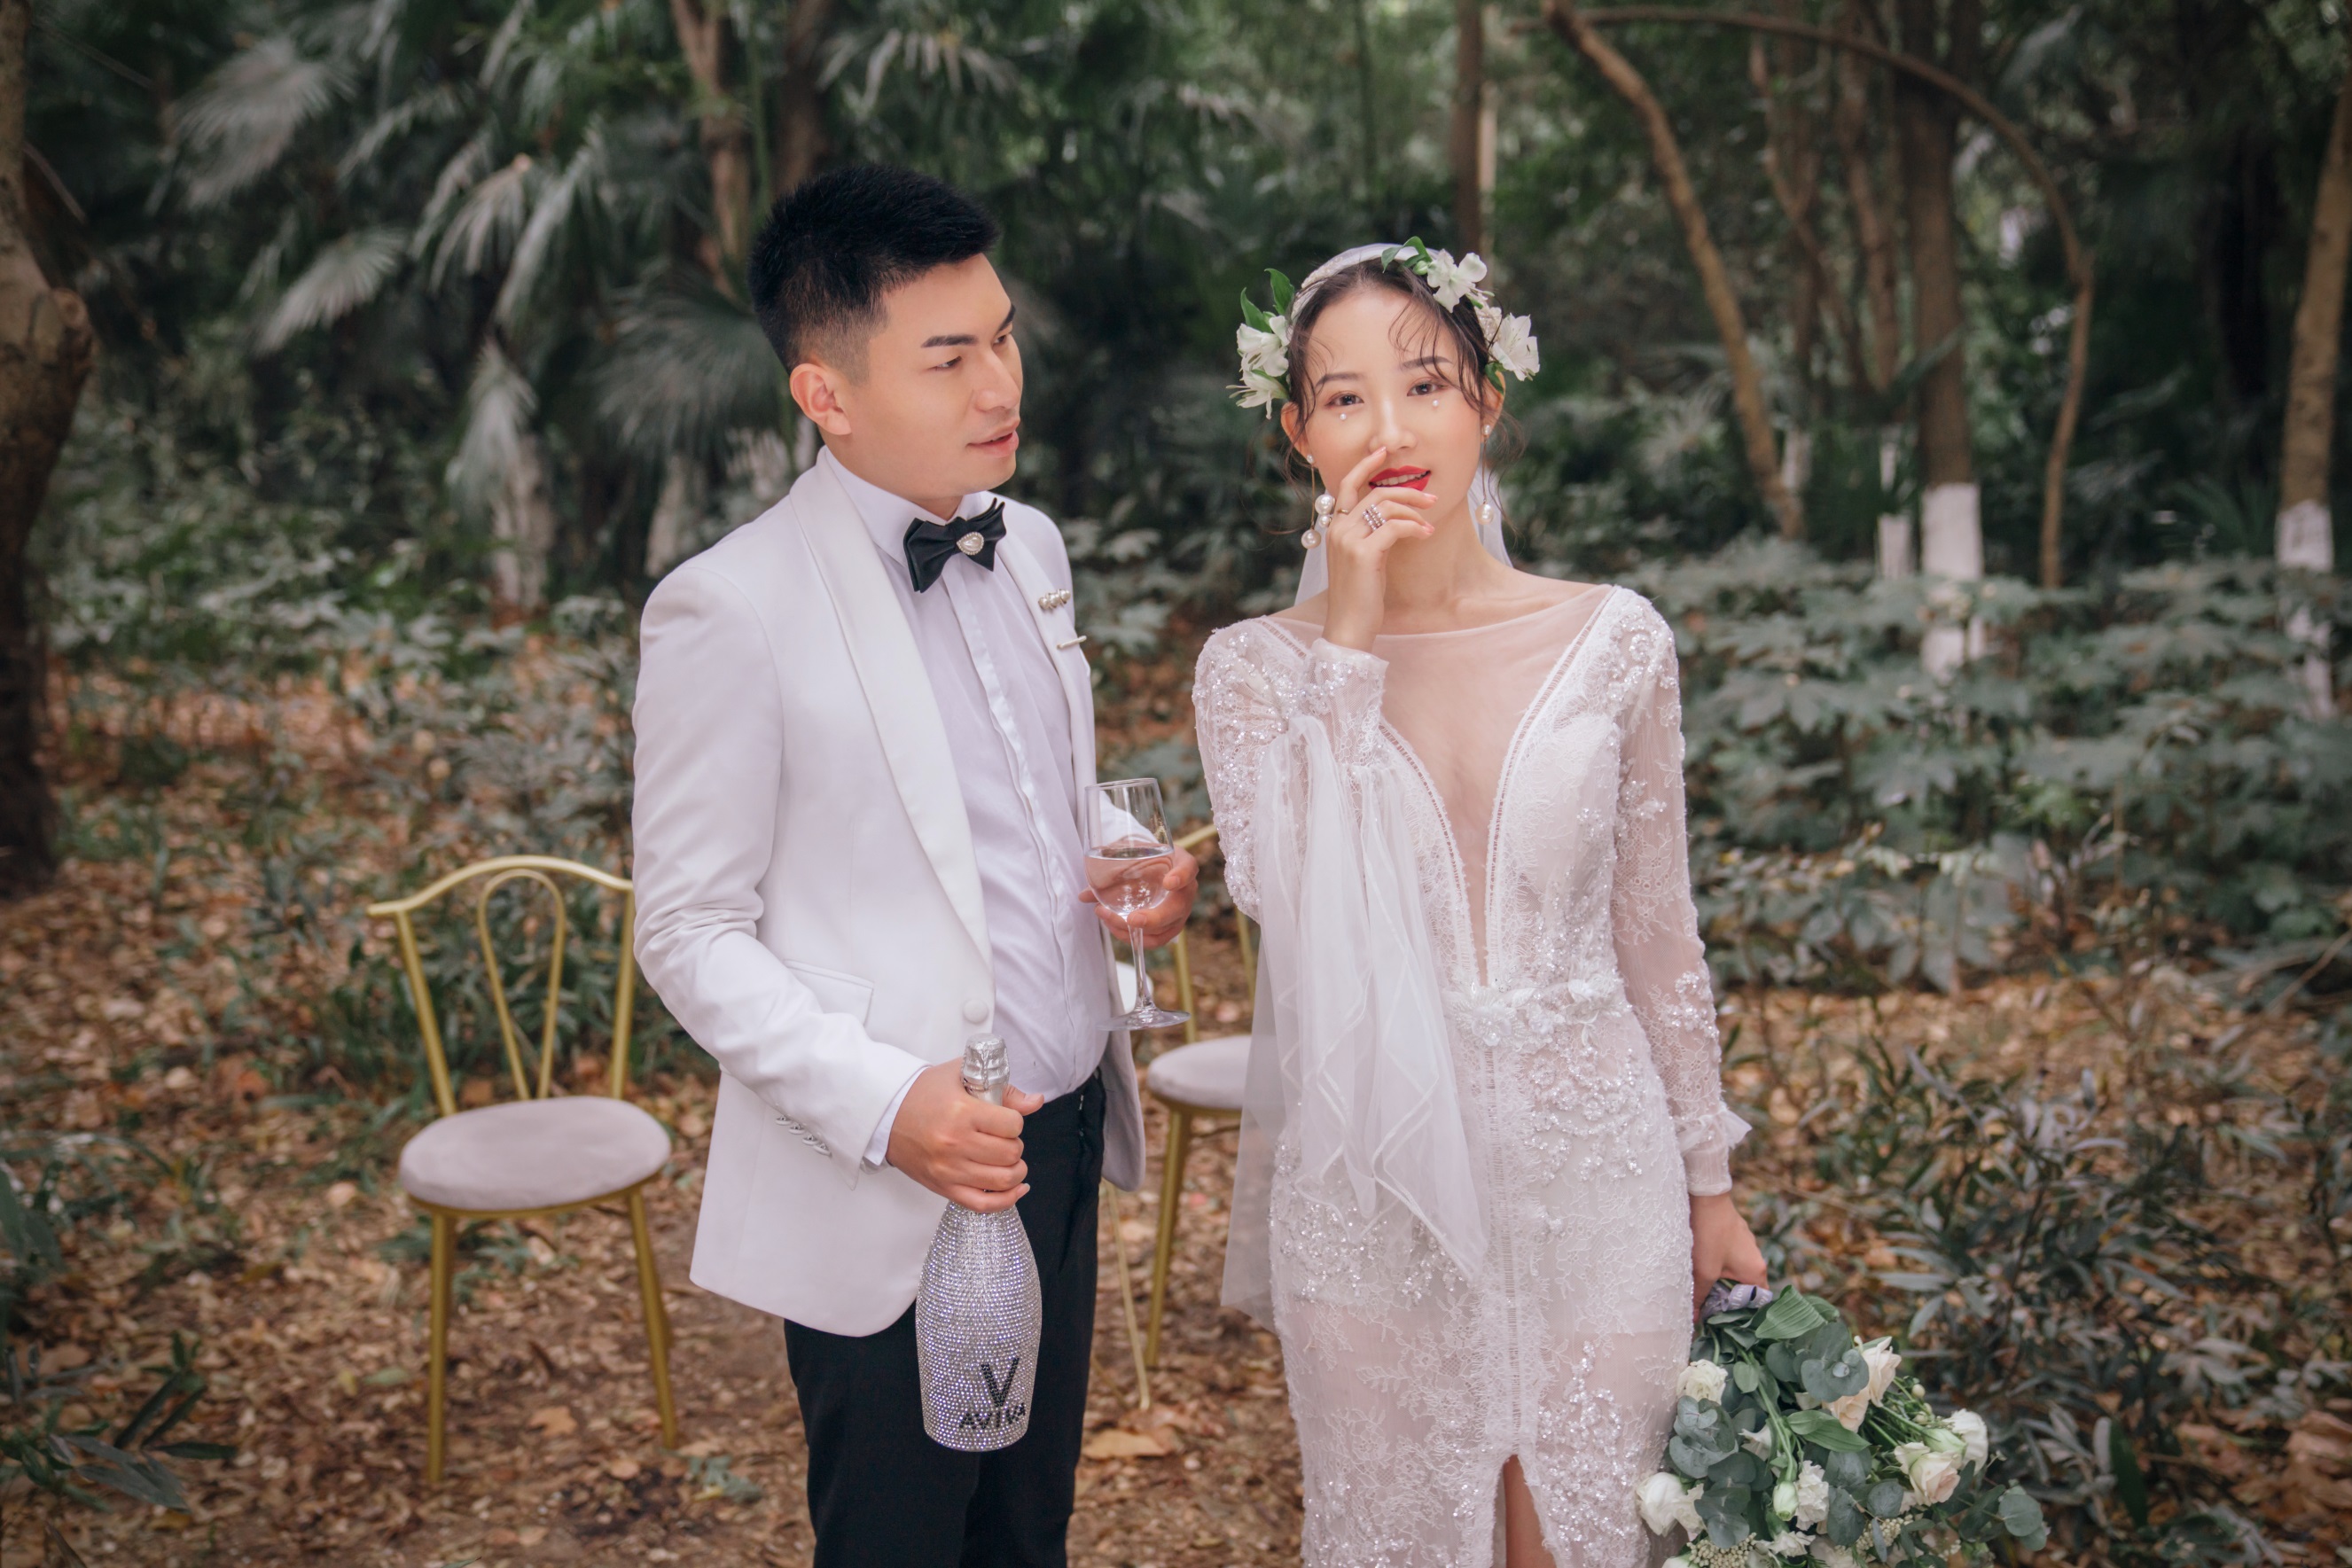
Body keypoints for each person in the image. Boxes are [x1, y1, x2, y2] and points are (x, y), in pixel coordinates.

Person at [629, 164, 1197, 1568]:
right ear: (823, 392)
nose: (999, 384)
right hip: (889, 1168)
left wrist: (1126, 857)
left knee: (1027, 1530)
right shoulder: (728, 606)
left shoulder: (1031, 542)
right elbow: (687, 930)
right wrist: (891, 1109)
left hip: (1060, 1134)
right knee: (897, 1540)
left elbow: (1019, 798)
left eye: (1001, 337)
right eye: (948, 358)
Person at [1194, 242, 1768, 1568]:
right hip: (1373, 1198)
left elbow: (1657, 936)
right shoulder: (1251, 673)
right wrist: (1347, 634)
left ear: (1488, 402)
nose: (1390, 432)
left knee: (1596, 1534)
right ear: (1296, 433)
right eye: (1344, 398)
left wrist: (1710, 1188)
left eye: (1425, 385)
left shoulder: (1616, 639)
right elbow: (1286, 897)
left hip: (1597, 1183)